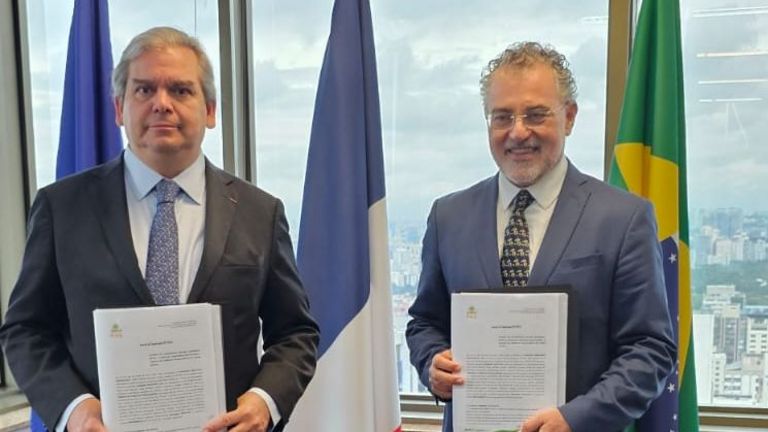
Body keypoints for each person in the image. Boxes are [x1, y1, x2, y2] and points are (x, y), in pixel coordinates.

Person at [0, 27, 319, 432]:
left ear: (210, 110)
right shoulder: (61, 208)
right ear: (119, 109)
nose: (162, 104)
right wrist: (74, 409)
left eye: (181, 90)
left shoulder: (261, 213)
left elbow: (295, 332)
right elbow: (25, 330)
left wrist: (263, 402)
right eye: (144, 90)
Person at [405, 42, 676, 432]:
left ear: (569, 117)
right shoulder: (448, 216)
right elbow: (424, 322)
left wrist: (576, 418)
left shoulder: (624, 218)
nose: (518, 132)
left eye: (535, 114)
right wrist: (432, 362)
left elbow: (650, 349)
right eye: (502, 117)